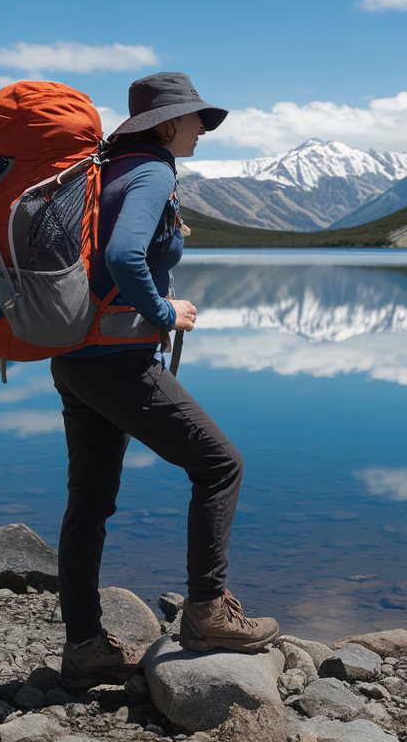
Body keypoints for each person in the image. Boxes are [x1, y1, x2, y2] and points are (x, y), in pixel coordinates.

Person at [52, 72, 278, 693]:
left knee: (89, 504)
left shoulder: (109, 167)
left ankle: (84, 648)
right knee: (220, 465)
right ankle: (207, 611)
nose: (203, 130)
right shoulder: (152, 171)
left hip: (75, 358)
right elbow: (124, 256)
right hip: (118, 362)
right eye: (196, 119)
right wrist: (164, 312)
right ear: (168, 123)